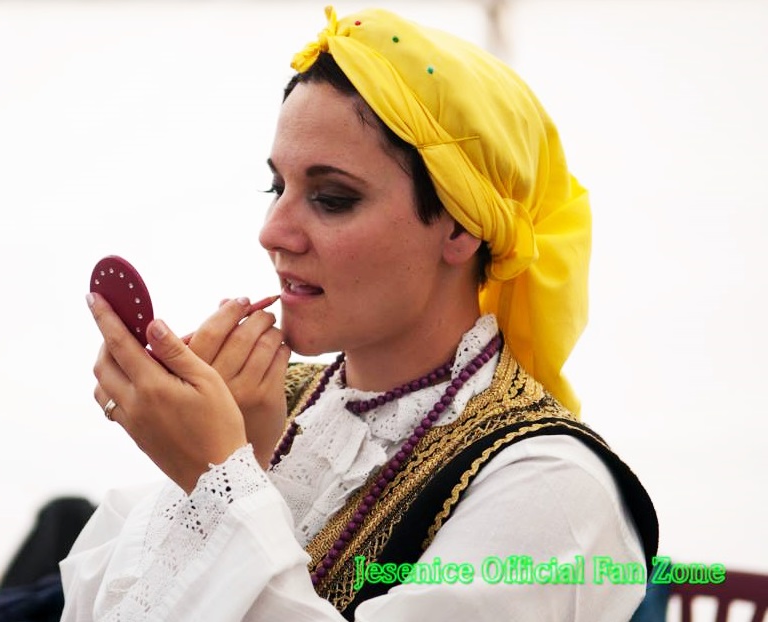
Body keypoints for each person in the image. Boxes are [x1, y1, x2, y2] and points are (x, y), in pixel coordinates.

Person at [60, 6, 658, 621]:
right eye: (277, 188)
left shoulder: (551, 489)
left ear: (461, 226)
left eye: (332, 198)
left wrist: (217, 479)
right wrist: (230, 463)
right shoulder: (269, 408)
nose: (273, 232)